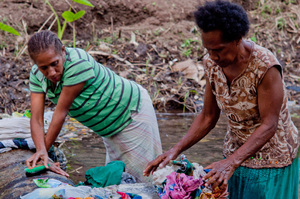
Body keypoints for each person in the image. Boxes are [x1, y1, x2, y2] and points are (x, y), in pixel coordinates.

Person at [143, 1, 299, 198]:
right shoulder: (212, 64)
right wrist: (174, 150)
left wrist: (231, 162)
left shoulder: (265, 67)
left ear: (237, 39)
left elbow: (269, 124)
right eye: (209, 49)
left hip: (271, 159)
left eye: (219, 49)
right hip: (234, 152)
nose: (213, 56)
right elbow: (208, 116)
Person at [25, 30, 162, 183]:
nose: (51, 72)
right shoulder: (36, 75)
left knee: (144, 180)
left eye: (54, 64)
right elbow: (36, 118)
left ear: (63, 51)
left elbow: (60, 113)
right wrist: (41, 151)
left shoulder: (77, 64)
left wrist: (44, 155)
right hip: (108, 125)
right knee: (118, 180)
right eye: (44, 68)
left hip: (131, 114)